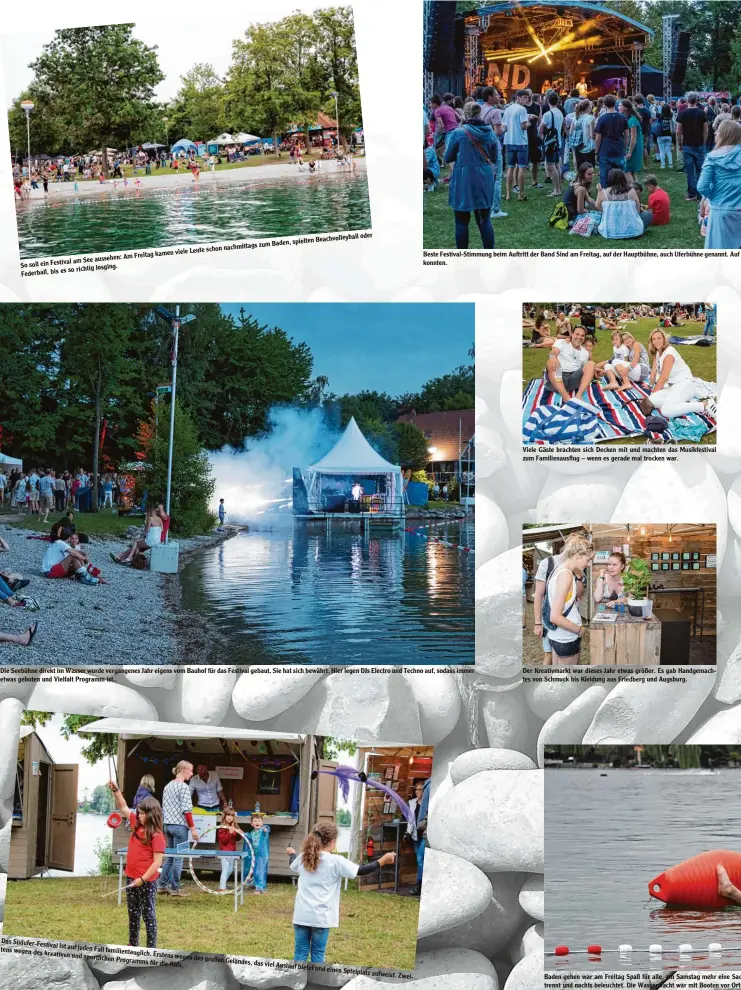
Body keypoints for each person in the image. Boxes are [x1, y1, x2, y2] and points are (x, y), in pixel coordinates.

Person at [286, 821, 396, 963]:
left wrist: (292, 853)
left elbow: (292, 864)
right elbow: (361, 871)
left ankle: (296, 982)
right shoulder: (336, 861)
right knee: (318, 954)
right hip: (321, 918)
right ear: (332, 841)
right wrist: (382, 860)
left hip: (302, 915)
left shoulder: (303, 858)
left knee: (300, 952)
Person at [107, 782, 165, 948]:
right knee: (133, 914)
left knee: (148, 915)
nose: (138, 816)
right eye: (138, 813)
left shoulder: (157, 835)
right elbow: (124, 806)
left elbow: (157, 862)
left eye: (141, 814)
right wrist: (116, 790)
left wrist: (143, 878)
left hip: (146, 881)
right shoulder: (135, 824)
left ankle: (151, 949)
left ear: (151, 815)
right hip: (131, 877)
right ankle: (133, 945)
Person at [443, 103, 498, 249]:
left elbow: (448, 157)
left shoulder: (459, 133)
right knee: (484, 220)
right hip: (484, 177)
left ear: (465, 115)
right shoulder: (490, 132)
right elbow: (494, 157)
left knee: (461, 221)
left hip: (464, 178)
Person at [643, 328, 717, 421]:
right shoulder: (658, 352)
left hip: (685, 384)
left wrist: (652, 394)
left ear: (664, 339)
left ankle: (705, 405)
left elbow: (664, 378)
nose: (656, 341)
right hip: (672, 387)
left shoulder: (669, 354)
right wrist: (650, 387)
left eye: (659, 338)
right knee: (653, 400)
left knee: (666, 410)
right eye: (654, 339)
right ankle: (678, 403)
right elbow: (653, 371)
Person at [545, 535, 594, 666]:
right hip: (566, 637)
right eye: (588, 559)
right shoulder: (566, 575)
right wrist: (580, 630)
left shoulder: (559, 570)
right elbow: (555, 617)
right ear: (578, 556)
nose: (589, 564)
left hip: (557, 636)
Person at [696, 120, 741, 249]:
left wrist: (713, 196)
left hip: (720, 210)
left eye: (718, 131)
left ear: (724, 134)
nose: (715, 133)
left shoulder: (712, 157)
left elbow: (701, 186)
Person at [159, 761, 199, 897]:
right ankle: (175, 888)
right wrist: (193, 829)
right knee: (179, 858)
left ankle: (162, 885)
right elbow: (187, 811)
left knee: (170, 858)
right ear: (183, 770)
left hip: (167, 826)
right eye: (191, 771)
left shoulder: (167, 786)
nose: (192, 774)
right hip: (180, 828)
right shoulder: (183, 787)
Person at [544, 325, 595, 402]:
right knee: (552, 361)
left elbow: (586, 368)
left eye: (582, 335)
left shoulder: (585, 352)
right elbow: (553, 352)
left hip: (573, 379)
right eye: (577, 334)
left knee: (591, 364)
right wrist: (553, 356)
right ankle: (566, 397)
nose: (579, 337)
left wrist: (595, 369)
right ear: (572, 334)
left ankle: (579, 395)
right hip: (559, 376)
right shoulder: (562, 342)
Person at [596, 168, 649, 239]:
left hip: (610, 231)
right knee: (648, 214)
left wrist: (599, 192)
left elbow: (598, 207)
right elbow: (637, 210)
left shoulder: (604, 192)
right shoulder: (631, 191)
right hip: (632, 231)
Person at [676, 93, 708, 201]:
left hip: (687, 145)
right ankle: (699, 194)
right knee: (700, 170)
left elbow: (678, 131)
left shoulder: (682, 113)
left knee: (689, 171)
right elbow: (706, 130)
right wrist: (703, 142)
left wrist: (679, 144)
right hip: (699, 144)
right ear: (697, 100)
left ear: (687, 101)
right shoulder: (702, 113)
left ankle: (691, 194)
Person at [502, 90, 531, 203]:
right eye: (525, 97)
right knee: (522, 168)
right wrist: (529, 123)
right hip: (521, 142)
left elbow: (504, 125)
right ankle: (521, 194)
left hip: (509, 140)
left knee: (510, 167)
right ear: (518, 98)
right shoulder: (522, 109)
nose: (527, 99)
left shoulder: (508, 108)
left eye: (527, 98)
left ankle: (508, 194)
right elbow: (524, 126)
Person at [594, 94, 628, 187]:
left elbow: (598, 138)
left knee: (604, 176)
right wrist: (624, 148)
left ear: (604, 104)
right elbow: (627, 135)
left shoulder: (602, 118)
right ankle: (621, 193)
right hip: (619, 149)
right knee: (620, 175)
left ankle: (605, 196)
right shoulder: (622, 117)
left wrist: (596, 152)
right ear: (615, 103)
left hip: (605, 150)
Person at [404, 779, 427, 895]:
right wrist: (407, 833)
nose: (417, 792)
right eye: (416, 790)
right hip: (415, 836)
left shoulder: (428, 803)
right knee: (420, 861)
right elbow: (410, 820)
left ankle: (419, 885)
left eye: (420, 790)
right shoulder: (412, 803)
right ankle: (421, 884)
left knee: (420, 859)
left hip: (424, 835)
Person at [217, 808, 247, 894]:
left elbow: (237, 838)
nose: (230, 817)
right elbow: (223, 841)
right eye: (228, 815)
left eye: (232, 815)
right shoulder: (221, 828)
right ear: (224, 816)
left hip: (233, 852)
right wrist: (230, 832)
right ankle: (222, 888)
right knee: (225, 869)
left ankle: (221, 885)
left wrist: (239, 833)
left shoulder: (234, 826)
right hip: (224, 852)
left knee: (230, 869)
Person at [540, 92, 564, 198]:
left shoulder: (548, 114)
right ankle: (559, 187)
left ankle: (557, 190)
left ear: (548, 101)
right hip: (558, 141)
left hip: (550, 143)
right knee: (557, 165)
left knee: (551, 166)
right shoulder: (559, 112)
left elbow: (541, 128)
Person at [245, 812, 271, 894]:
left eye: (259, 821)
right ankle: (254, 883)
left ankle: (259, 888)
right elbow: (247, 836)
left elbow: (267, 829)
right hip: (254, 855)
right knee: (252, 869)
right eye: (255, 821)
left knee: (260, 870)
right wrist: (241, 832)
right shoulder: (251, 832)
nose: (257, 822)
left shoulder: (263, 831)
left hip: (262, 855)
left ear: (262, 823)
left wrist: (265, 829)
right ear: (252, 824)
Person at [621, 99, 643, 183]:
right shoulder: (629, 118)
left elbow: (633, 137)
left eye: (620, 105)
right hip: (633, 146)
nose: (619, 107)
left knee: (627, 170)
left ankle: (633, 190)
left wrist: (629, 152)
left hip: (633, 147)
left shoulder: (632, 120)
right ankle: (637, 189)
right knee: (632, 171)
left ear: (625, 108)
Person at [656, 104, 674, 168]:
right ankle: (670, 164)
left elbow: (653, 111)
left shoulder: (659, 115)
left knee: (661, 150)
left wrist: (656, 105)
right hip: (669, 135)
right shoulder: (671, 115)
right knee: (668, 150)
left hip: (660, 135)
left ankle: (663, 165)